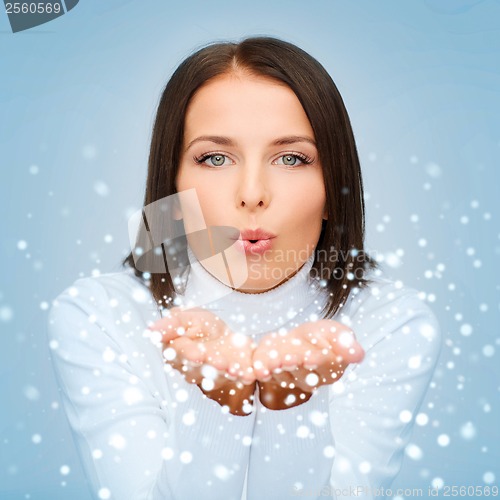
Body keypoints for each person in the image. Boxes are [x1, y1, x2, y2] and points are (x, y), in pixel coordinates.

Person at [47, 36, 442, 500]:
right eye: (215, 158)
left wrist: (288, 409)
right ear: (171, 184)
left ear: (335, 188)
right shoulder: (100, 316)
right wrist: (219, 408)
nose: (252, 193)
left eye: (291, 158)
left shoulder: (390, 324)